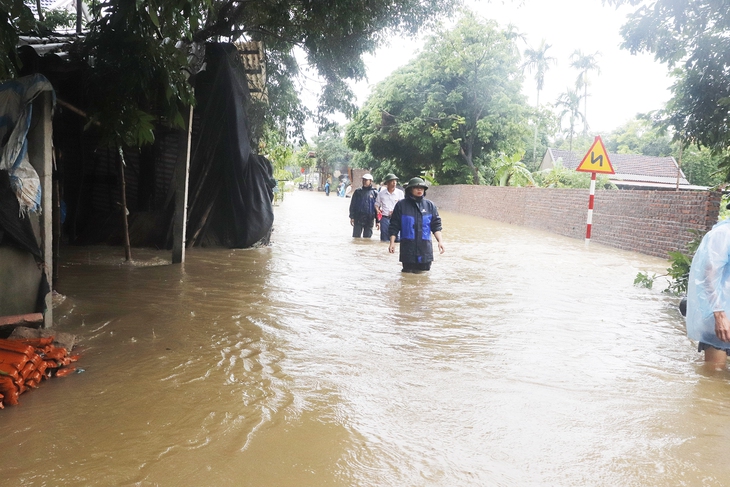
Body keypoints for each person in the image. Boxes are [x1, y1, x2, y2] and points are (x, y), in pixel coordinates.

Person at [686, 217, 730, 367]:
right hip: (722, 317)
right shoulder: (722, 234)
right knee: (714, 375)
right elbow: (708, 278)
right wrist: (719, 315)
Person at [388, 177, 445, 272]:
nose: (419, 190)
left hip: (425, 250)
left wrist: (440, 242)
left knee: (424, 278)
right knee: (407, 277)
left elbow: (436, 226)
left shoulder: (430, 206)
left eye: (422, 188)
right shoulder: (401, 206)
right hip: (408, 250)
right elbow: (394, 225)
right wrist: (392, 243)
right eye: (416, 188)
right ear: (410, 189)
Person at [375, 173, 404, 242]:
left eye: (395, 181)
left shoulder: (400, 193)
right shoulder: (381, 193)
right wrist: (377, 210)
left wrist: (396, 211)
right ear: (387, 183)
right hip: (385, 218)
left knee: (397, 239)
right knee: (384, 240)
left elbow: (403, 206)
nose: (394, 183)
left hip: (397, 219)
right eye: (392, 181)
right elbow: (377, 204)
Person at [349, 173, 378, 238]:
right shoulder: (357, 192)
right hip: (358, 218)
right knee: (356, 237)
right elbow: (353, 205)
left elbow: (377, 208)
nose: (364, 182)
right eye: (363, 180)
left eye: (366, 180)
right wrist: (352, 217)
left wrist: (378, 221)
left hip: (369, 219)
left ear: (370, 181)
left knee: (367, 238)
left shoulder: (374, 193)